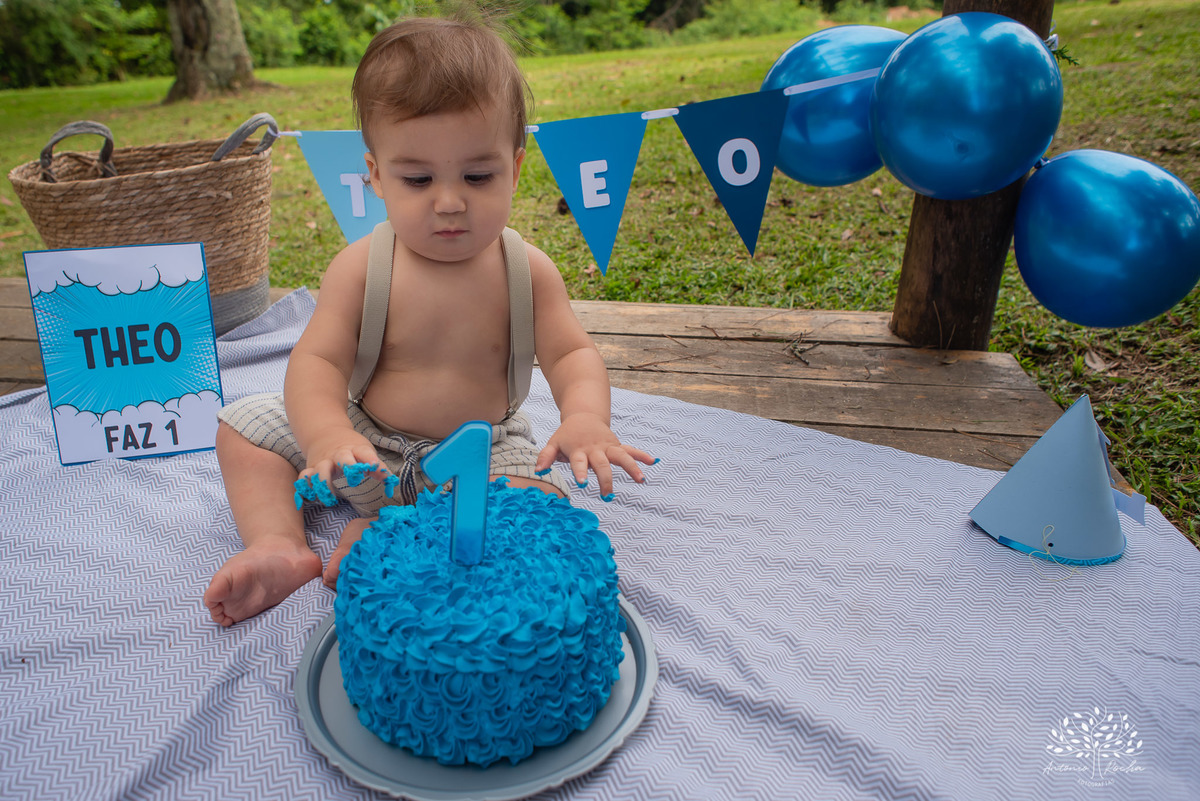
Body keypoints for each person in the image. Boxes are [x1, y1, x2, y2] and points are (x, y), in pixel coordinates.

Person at [203, 14, 654, 627]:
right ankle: (279, 544)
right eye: (418, 178)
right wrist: (327, 436)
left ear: (515, 169)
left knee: (537, 506)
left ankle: (389, 538)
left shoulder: (527, 269)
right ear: (377, 176)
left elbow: (572, 355)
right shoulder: (362, 267)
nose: (449, 201)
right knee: (244, 430)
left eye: (477, 175)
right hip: (367, 445)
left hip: (482, 453)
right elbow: (318, 362)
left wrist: (584, 420)